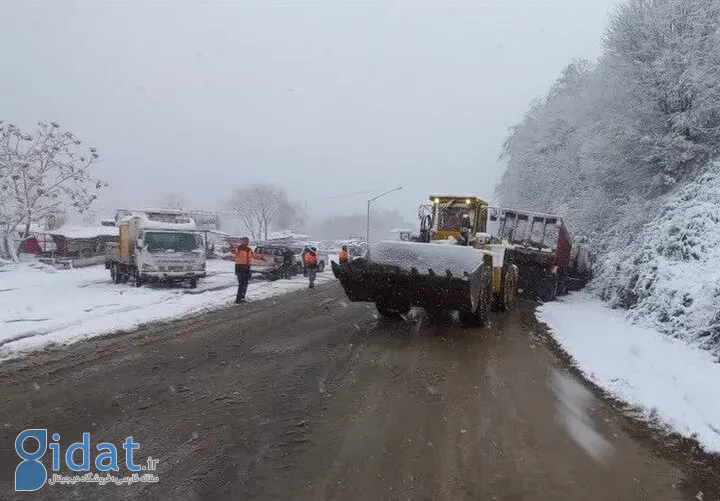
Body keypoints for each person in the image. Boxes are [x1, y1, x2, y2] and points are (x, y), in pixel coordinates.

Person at [232, 237, 260, 303]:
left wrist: (262, 258)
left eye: (247, 241)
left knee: (245, 283)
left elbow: (254, 256)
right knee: (241, 284)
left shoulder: (249, 249)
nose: (247, 242)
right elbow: (234, 252)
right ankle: (238, 298)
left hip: (247, 268)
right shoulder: (238, 249)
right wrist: (232, 248)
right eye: (245, 241)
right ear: (242, 242)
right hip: (239, 268)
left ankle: (242, 297)